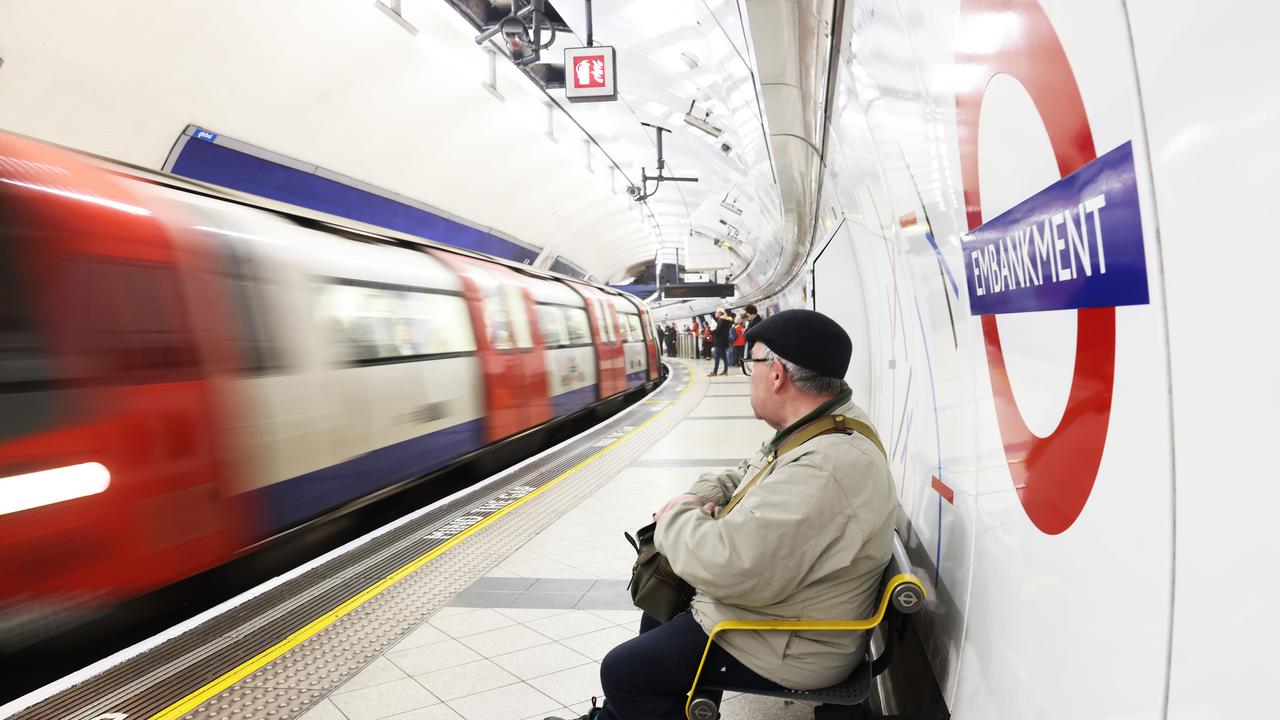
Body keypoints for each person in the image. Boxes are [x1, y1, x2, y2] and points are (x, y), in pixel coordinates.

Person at [545, 310, 896, 720]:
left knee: (624, 672)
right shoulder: (824, 425)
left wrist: (674, 518)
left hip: (792, 643)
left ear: (777, 374)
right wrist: (696, 497)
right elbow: (748, 471)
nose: (748, 375)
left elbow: (730, 566)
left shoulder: (824, 466)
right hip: (787, 612)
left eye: (752, 363)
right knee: (660, 604)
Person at [740, 304, 762, 374]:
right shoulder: (751, 320)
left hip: (755, 345)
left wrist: (746, 334)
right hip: (750, 343)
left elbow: (753, 333)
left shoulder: (758, 321)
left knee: (753, 361)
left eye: (747, 312)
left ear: (751, 313)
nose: (746, 314)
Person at [710, 309, 732, 375]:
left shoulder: (720, 320)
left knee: (717, 357)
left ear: (720, 313)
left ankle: (715, 372)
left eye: (716, 312)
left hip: (719, 342)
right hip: (724, 342)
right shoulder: (727, 321)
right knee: (724, 357)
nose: (715, 314)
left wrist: (711, 331)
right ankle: (725, 371)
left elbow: (718, 331)